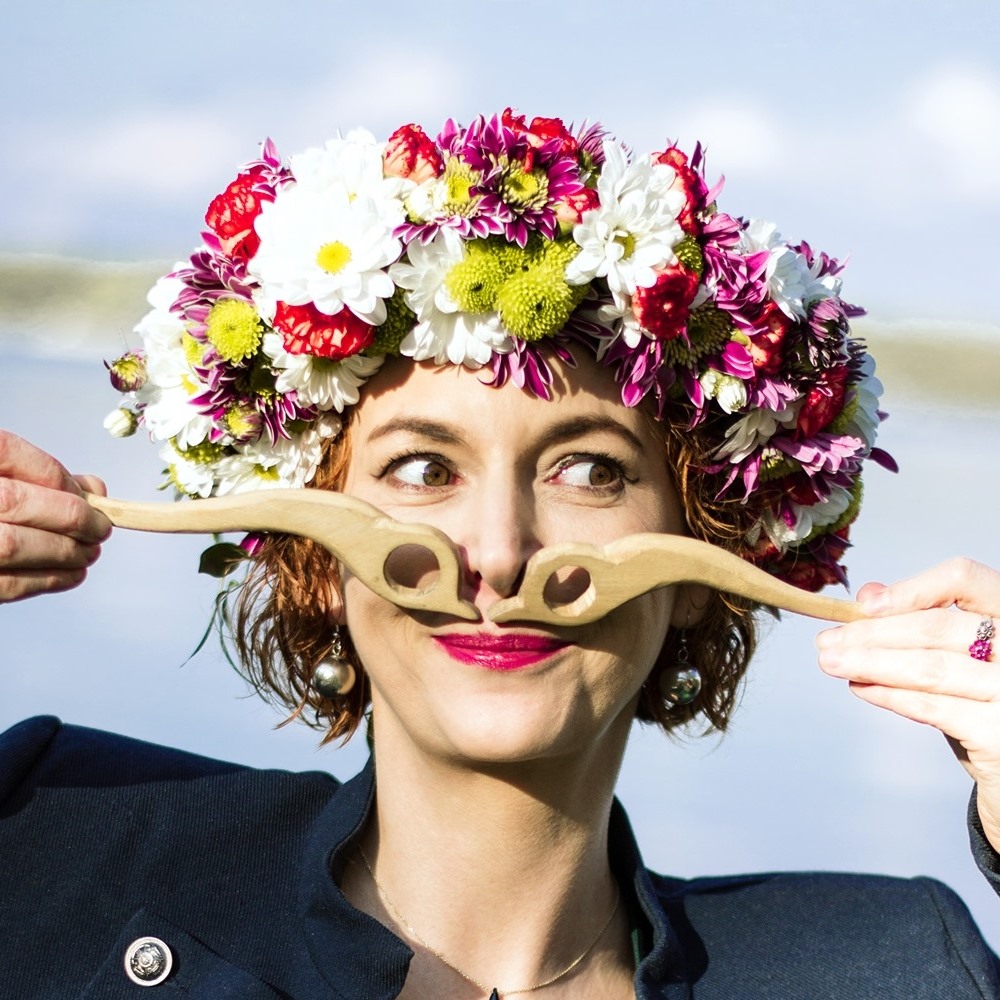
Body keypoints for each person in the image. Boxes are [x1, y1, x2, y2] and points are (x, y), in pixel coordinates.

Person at [1, 110, 998, 999]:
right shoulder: (50, 833)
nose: (500, 553)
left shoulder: (896, 962)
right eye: (424, 469)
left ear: (707, 554)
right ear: (312, 555)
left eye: (590, 472)